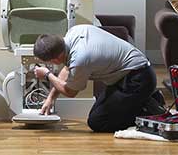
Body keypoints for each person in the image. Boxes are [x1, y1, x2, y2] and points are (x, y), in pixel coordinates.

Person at [32, 24, 165, 132]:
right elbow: (66, 69)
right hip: (126, 75)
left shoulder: (80, 59)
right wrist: (50, 98)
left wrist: (47, 75)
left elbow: (70, 91)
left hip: (139, 79)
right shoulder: (74, 32)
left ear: (55, 59)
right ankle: (146, 99)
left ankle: (148, 110)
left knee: (97, 122)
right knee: (97, 113)